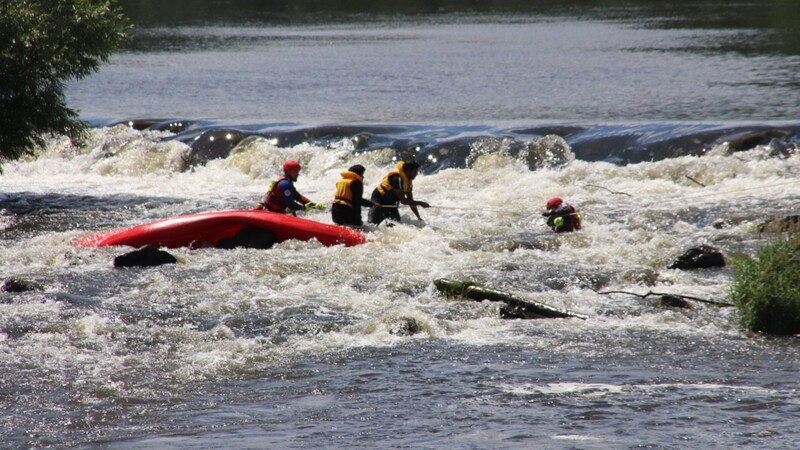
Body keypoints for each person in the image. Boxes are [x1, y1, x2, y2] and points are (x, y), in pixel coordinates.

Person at [368, 160, 430, 226]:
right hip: (378, 198)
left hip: (391, 202)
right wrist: (421, 203)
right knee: (372, 223)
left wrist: (418, 217)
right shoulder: (397, 179)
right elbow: (403, 201)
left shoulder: (409, 183)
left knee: (395, 223)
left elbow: (410, 201)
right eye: (415, 171)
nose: (417, 173)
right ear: (408, 171)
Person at [255, 160, 325, 214]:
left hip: (275, 211)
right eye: (295, 171)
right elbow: (290, 205)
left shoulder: (288, 182)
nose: (298, 174)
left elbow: (298, 197)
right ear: (288, 172)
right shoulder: (285, 184)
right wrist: (303, 208)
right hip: (271, 212)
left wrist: (313, 205)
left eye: (298, 171)